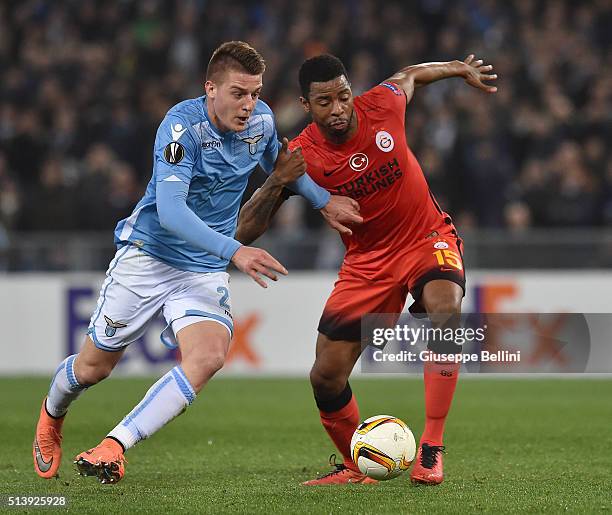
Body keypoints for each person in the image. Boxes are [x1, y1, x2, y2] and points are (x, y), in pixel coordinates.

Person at [33, 41, 362, 484]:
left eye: (256, 93)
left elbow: (281, 169)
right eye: (238, 93)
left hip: (201, 269)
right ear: (210, 88)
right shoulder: (180, 128)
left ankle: (114, 446)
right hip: (148, 257)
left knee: (207, 357)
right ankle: (52, 415)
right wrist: (236, 250)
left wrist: (323, 201)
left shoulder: (261, 124)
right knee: (94, 368)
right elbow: (171, 213)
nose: (249, 105)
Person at [235, 53, 497, 485]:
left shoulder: (383, 104)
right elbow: (245, 230)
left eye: (343, 96)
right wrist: (277, 181)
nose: (338, 109)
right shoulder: (302, 156)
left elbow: (411, 73)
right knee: (325, 376)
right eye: (325, 102)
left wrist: (458, 68)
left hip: (425, 237)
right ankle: (359, 465)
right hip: (367, 263)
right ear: (306, 105)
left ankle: (431, 446)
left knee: (446, 311)